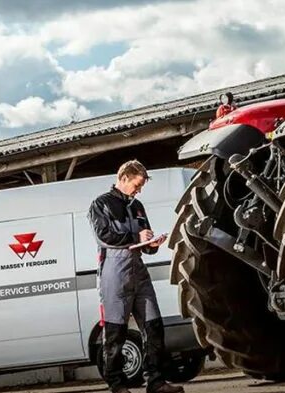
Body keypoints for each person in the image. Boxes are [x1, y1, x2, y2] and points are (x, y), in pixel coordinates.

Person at [88, 160, 184, 393]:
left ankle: (156, 381)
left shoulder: (138, 205)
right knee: (115, 334)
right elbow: (104, 237)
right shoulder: (100, 204)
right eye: (137, 185)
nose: (139, 190)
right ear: (123, 178)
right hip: (113, 272)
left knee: (154, 326)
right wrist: (136, 236)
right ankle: (117, 384)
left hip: (138, 271)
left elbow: (144, 242)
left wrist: (153, 244)